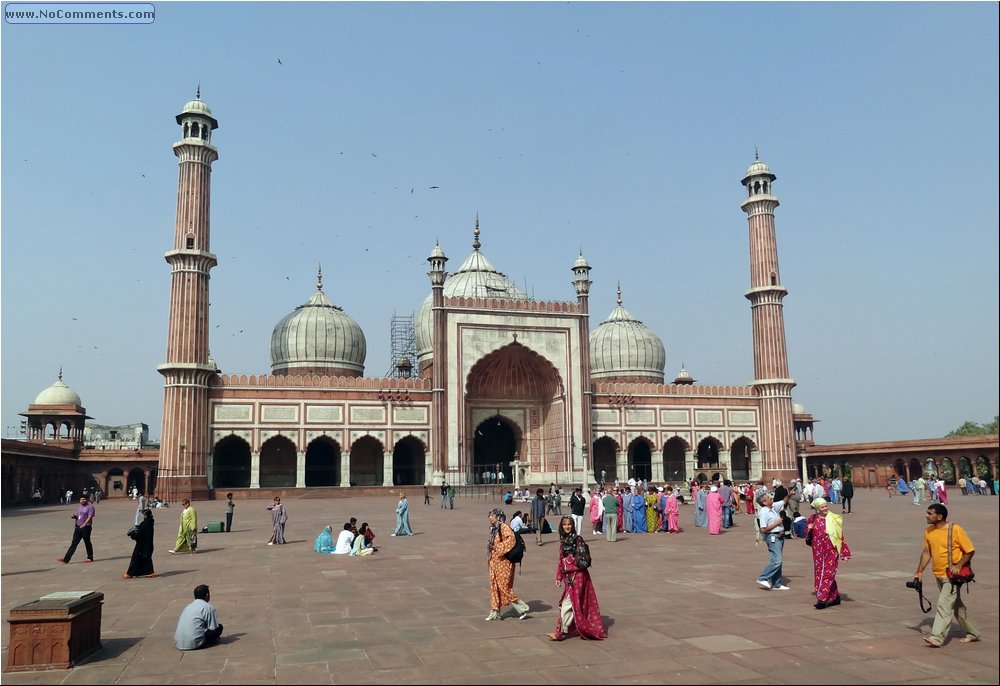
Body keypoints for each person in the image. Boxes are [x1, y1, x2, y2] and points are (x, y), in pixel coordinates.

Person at [913, 503, 980, 647]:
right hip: (938, 574)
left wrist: (958, 565)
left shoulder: (955, 529)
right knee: (956, 605)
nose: (926, 515)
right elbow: (926, 552)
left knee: (944, 605)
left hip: (952, 576)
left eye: (930, 513)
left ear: (940, 516)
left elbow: (970, 550)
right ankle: (973, 632)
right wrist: (919, 571)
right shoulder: (928, 531)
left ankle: (937, 637)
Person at [546, 516, 607, 641]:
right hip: (569, 577)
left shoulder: (577, 540)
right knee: (571, 603)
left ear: (573, 525)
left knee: (568, 603)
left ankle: (559, 632)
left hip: (578, 576)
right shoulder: (563, 541)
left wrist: (569, 564)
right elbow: (560, 561)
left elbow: (581, 560)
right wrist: (559, 576)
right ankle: (565, 629)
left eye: (569, 524)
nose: (567, 527)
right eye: (564, 524)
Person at [485, 508, 531, 621]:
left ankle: (522, 608)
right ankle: (494, 611)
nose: (490, 517)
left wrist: (497, 547)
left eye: (492, 515)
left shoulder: (504, 527)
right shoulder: (494, 529)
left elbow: (511, 540)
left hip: (504, 562)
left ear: (497, 517)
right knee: (494, 585)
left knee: (504, 587)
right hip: (494, 562)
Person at [807, 498, 851, 609]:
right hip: (817, 552)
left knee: (827, 573)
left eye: (826, 506)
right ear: (817, 509)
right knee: (820, 573)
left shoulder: (832, 519)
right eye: (822, 507)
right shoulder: (812, 519)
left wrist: (844, 554)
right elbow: (807, 537)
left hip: (831, 551)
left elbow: (840, 536)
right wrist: (809, 529)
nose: (825, 508)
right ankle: (834, 597)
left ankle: (822, 599)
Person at [755, 492, 790, 591]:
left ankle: (776, 584)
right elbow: (763, 529)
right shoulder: (764, 512)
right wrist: (776, 523)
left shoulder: (772, 509)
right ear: (764, 502)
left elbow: (783, 502)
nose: (771, 498)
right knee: (777, 561)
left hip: (779, 536)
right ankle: (763, 577)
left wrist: (790, 494)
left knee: (778, 560)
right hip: (772, 536)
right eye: (769, 498)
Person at [173, 584, 223, 650]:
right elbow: (213, 629)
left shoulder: (188, 606)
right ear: (207, 595)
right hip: (195, 643)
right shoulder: (208, 607)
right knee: (219, 627)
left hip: (178, 642)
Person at [58, 496, 96, 564]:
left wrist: (84, 524)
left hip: (86, 527)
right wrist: (75, 517)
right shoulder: (79, 507)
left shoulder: (90, 507)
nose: (82, 500)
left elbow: (90, 516)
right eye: (81, 499)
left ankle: (90, 557)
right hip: (78, 527)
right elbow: (79, 517)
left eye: (84, 499)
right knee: (74, 543)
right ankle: (66, 559)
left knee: (87, 542)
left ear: (87, 500)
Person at [124, 508, 156, 579]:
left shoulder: (145, 523)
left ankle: (130, 573)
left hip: (142, 545)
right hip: (148, 544)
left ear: (145, 515)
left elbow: (139, 535)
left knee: (136, 558)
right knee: (147, 558)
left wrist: (132, 535)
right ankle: (150, 572)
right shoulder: (150, 522)